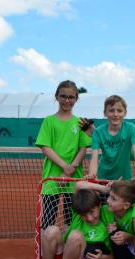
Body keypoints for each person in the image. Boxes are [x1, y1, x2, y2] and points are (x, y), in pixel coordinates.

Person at [33, 188, 114, 259]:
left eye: (92, 212)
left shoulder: (107, 216)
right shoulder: (77, 215)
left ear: (99, 206)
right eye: (84, 215)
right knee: (51, 230)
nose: (89, 218)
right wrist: (89, 181)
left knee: (76, 235)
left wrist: (102, 258)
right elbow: (78, 187)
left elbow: (119, 257)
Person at [35, 80, 92, 228]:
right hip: (51, 178)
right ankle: (45, 250)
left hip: (74, 179)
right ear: (56, 96)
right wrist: (64, 168)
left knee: (71, 222)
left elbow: (83, 148)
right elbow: (45, 147)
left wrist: (70, 169)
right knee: (47, 222)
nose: (67, 100)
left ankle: (69, 249)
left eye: (71, 97)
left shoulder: (80, 123)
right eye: (63, 96)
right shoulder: (49, 121)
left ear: (76, 99)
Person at [74, 180, 135, 259]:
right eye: (109, 196)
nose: (108, 200)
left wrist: (128, 237)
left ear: (126, 205)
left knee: (115, 233)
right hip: (114, 251)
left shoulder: (133, 217)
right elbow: (79, 186)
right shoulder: (106, 210)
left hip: (133, 254)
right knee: (92, 247)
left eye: (113, 198)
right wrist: (104, 189)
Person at [87, 95, 135, 181]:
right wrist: (92, 175)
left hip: (124, 179)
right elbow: (94, 157)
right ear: (105, 113)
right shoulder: (98, 131)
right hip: (103, 178)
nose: (115, 114)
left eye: (119, 111)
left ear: (125, 113)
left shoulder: (130, 128)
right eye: (111, 110)